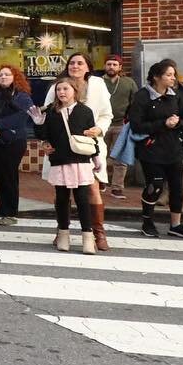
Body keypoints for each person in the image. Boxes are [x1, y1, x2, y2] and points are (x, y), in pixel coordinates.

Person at [43, 53, 114, 250]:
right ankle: (62, 230)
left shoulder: (98, 84)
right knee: (61, 189)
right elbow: (47, 115)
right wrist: (45, 142)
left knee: (91, 188)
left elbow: (107, 114)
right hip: (62, 146)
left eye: (80, 63)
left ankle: (97, 232)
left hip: (88, 144)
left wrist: (99, 129)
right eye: (72, 63)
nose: (75, 66)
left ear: (88, 67)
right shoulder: (57, 85)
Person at [128, 58, 183, 239]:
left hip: (173, 147)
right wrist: (163, 123)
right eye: (169, 75)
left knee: (176, 186)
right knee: (155, 185)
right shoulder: (143, 96)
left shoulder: (176, 95)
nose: (173, 78)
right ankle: (147, 221)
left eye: (174, 75)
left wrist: (178, 122)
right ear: (157, 77)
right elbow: (136, 125)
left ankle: (176, 224)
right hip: (151, 148)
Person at [33, 76, 99, 253]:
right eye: (58, 90)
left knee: (82, 198)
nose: (61, 92)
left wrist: (96, 156)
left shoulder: (85, 111)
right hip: (59, 159)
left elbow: (91, 136)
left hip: (80, 161)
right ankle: (63, 233)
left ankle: (88, 235)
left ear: (75, 91)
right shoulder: (52, 112)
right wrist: (39, 127)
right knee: (61, 199)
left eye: (65, 89)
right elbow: (44, 135)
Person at [0, 66, 34, 226]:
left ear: (15, 77)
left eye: (7, 74)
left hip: (13, 141)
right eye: (0, 75)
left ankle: (9, 213)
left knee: (8, 177)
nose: (3, 77)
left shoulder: (22, 96)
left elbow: (22, 115)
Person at [101, 54, 138, 198]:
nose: (111, 67)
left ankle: (117, 187)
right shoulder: (97, 82)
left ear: (120, 67)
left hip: (120, 124)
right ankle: (100, 181)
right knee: (98, 156)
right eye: (109, 64)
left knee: (120, 159)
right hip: (100, 125)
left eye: (115, 64)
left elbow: (135, 103)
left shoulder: (128, 83)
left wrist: (130, 120)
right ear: (105, 66)